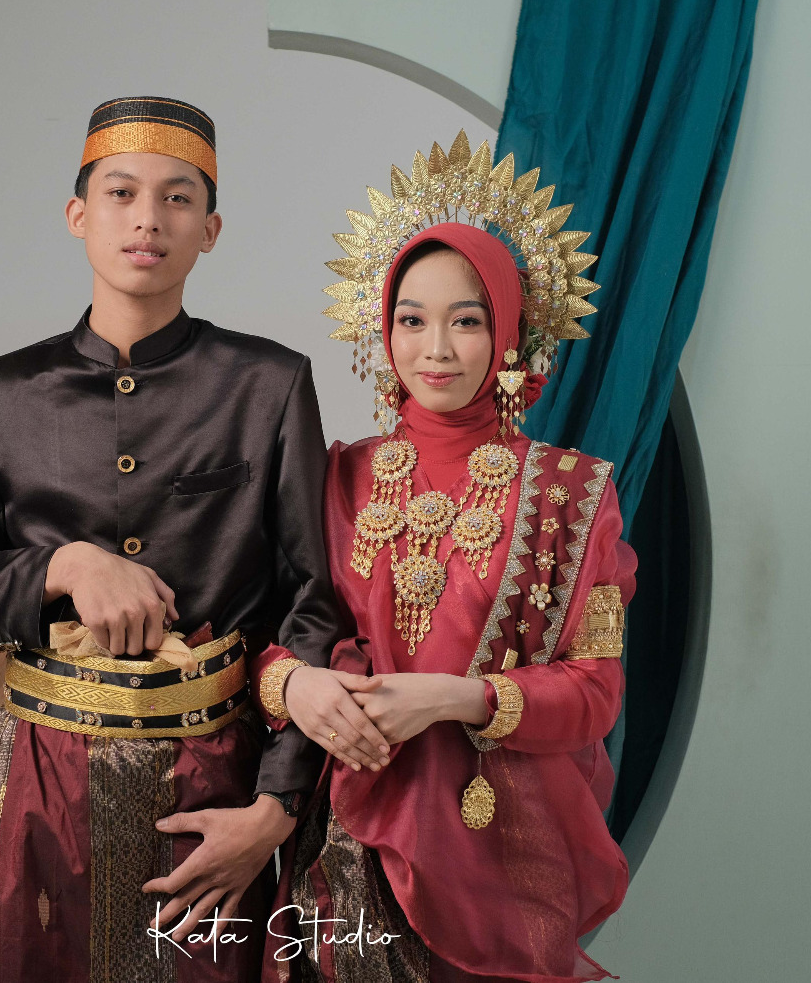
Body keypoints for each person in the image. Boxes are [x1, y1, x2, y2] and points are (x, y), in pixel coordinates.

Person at [0, 96, 389, 983]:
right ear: (77, 215)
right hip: (36, 785)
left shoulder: (269, 385)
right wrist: (64, 565)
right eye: (121, 193)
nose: (147, 219)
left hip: (214, 793)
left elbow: (310, 605)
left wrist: (275, 808)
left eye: (177, 198)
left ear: (211, 230)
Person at [266, 135, 635, 983]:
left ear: (508, 333)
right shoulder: (332, 477)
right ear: (381, 330)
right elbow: (269, 641)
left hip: (502, 848)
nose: (435, 348)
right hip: (346, 839)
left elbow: (596, 692)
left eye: (466, 320)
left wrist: (454, 698)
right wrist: (297, 687)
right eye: (412, 320)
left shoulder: (574, 496)